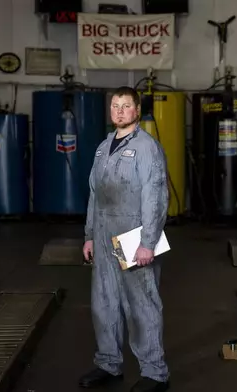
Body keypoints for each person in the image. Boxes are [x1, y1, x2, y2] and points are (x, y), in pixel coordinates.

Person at [79, 86, 170, 392]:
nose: (119, 111)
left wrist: (148, 241)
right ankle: (108, 363)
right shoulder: (104, 146)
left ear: (137, 110)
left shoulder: (147, 147)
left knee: (141, 305)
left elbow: (155, 197)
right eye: (115, 105)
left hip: (133, 235)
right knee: (103, 303)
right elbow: (95, 194)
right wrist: (90, 235)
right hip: (104, 235)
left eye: (126, 105)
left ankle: (155, 373)